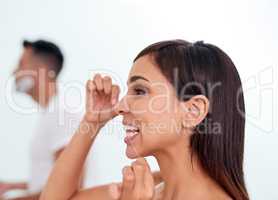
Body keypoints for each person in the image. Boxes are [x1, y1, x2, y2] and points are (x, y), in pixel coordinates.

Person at [40, 39, 249, 200]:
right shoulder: (147, 189)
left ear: (193, 111)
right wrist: (92, 122)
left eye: (140, 90)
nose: (120, 106)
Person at [0, 40, 81, 200]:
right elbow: (54, 180)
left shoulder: (61, 113)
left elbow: (69, 188)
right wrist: (12, 186)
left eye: (21, 64)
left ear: (41, 70)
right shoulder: (54, 112)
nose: (14, 71)